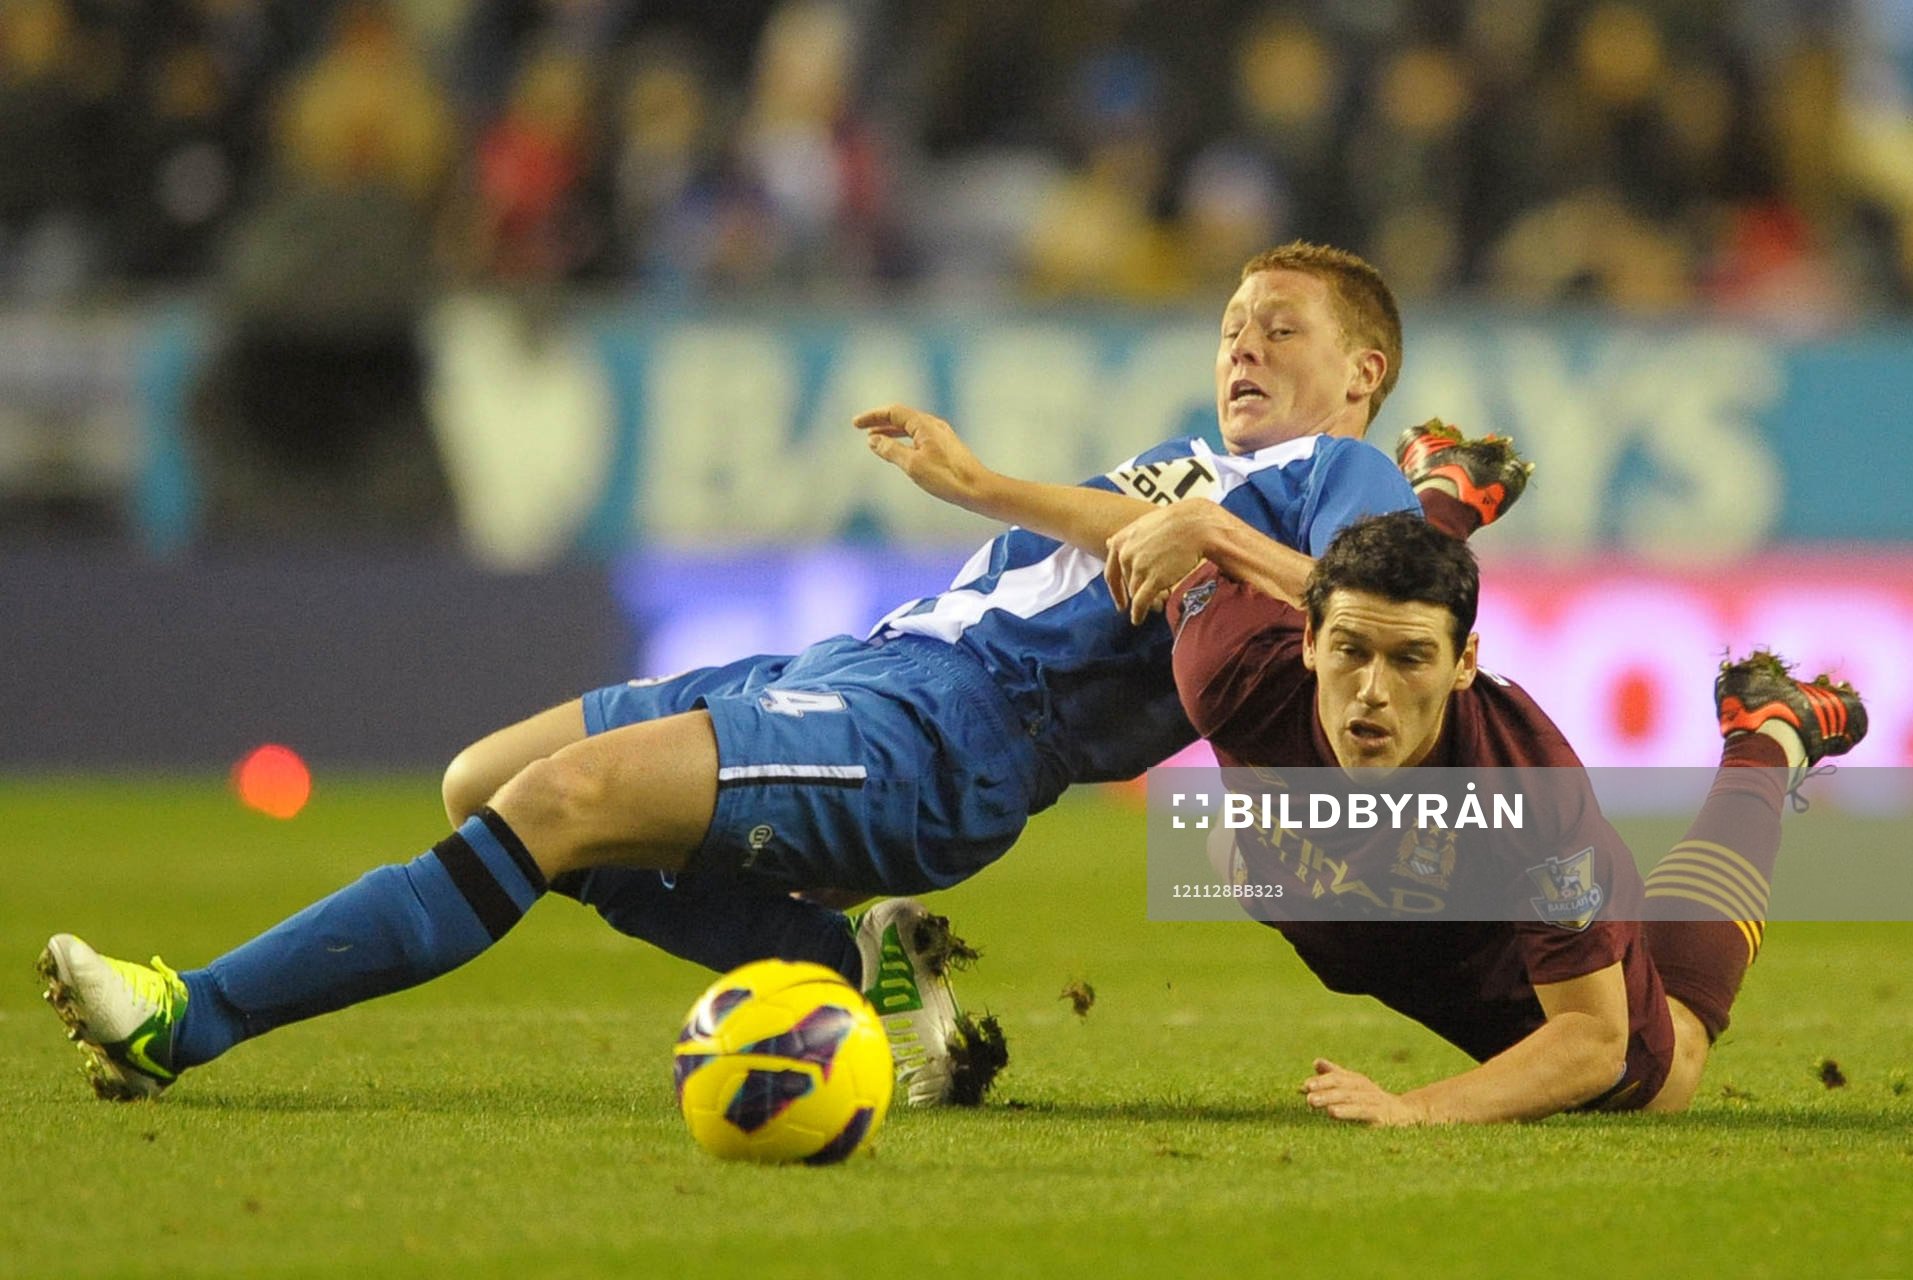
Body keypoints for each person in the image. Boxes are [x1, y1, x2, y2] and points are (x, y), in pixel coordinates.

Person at [35, 242, 1507, 1109]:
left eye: (1281, 327)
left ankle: (189, 1017)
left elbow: (1383, 609)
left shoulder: (1341, 467)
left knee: (565, 802)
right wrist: (984, 480)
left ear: (1363, 371)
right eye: (1232, 324)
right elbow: (1137, 533)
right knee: (478, 781)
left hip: (954, 732)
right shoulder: (1211, 475)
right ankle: (841, 966)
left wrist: (1210, 536)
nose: (1242, 342)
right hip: (863, 664)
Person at [1158, 512, 1867, 1123]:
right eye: (1349, 651)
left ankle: (1765, 740)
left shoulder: (1528, 792)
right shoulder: (1231, 665)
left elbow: (1592, 1039)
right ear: (1309, 641)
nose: (1370, 692)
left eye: (1411, 658)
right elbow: (1142, 530)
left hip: (1467, 939)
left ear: (1463, 662)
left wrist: (1417, 1110)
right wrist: (1188, 521)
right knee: (1228, 848)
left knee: (1657, 1074)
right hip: (1327, 893)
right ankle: (1437, 509)